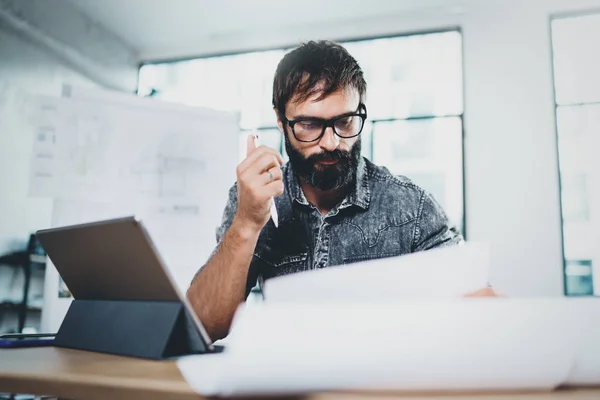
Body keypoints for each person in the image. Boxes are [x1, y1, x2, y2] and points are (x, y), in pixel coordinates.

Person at [187, 40, 496, 341]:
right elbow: (203, 326)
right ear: (281, 121)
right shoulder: (254, 199)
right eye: (309, 124)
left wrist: (482, 310)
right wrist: (246, 224)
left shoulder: (412, 207)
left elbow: (476, 310)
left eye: (345, 121)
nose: (331, 142)